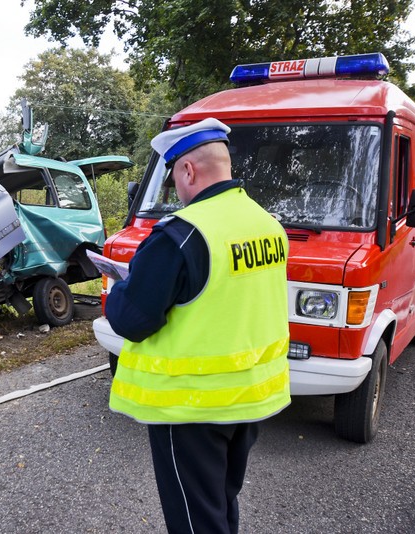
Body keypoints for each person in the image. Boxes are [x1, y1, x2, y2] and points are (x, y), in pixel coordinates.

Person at [105, 117, 291, 534]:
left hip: (190, 408)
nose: (176, 190)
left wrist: (123, 287)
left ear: (188, 170)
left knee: (195, 522)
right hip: (248, 398)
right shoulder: (267, 224)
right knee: (220, 506)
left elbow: (131, 320)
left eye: (173, 179)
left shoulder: (183, 233)